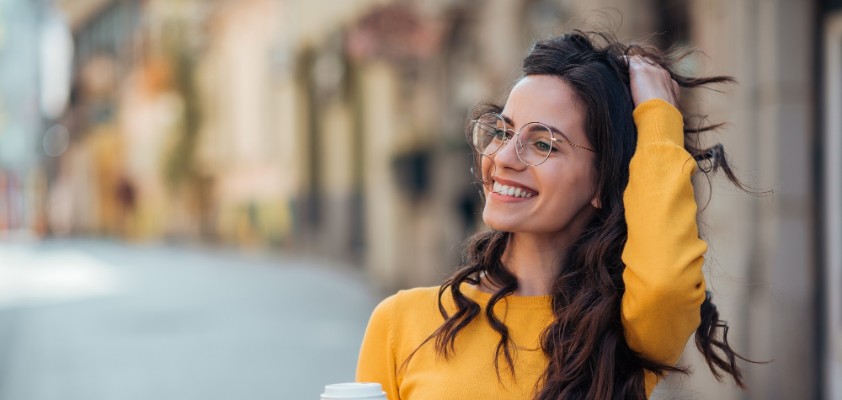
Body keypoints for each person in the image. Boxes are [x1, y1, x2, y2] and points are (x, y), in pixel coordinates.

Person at [356, 30, 750, 400]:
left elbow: (667, 285)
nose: (504, 158)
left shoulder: (625, 330)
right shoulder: (400, 322)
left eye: (544, 144)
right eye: (504, 132)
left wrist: (658, 115)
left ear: (602, 182)